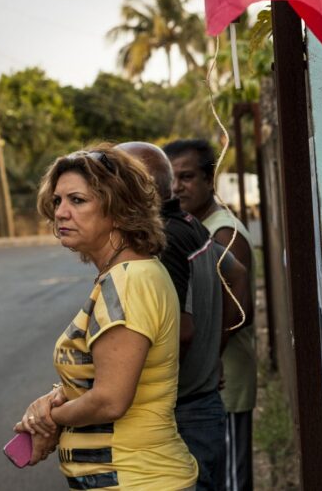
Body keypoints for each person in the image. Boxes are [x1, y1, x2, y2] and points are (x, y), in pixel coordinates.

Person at [16, 145, 197, 489]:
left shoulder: (128, 281)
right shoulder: (125, 274)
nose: (61, 213)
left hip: (134, 478)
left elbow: (110, 399)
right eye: (57, 201)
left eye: (77, 200)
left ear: (118, 209)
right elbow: (103, 377)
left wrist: (48, 418)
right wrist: (61, 395)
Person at [117, 142, 251, 490]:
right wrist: (213, 354)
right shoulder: (189, 223)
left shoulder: (165, 237)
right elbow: (236, 275)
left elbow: (180, 331)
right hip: (199, 404)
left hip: (184, 413)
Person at [164, 138, 257, 491]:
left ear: (209, 179)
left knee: (232, 477)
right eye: (171, 177)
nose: (176, 187)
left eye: (187, 177)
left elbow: (238, 311)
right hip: (211, 376)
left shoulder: (223, 232)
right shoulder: (196, 226)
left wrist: (212, 357)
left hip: (224, 377)